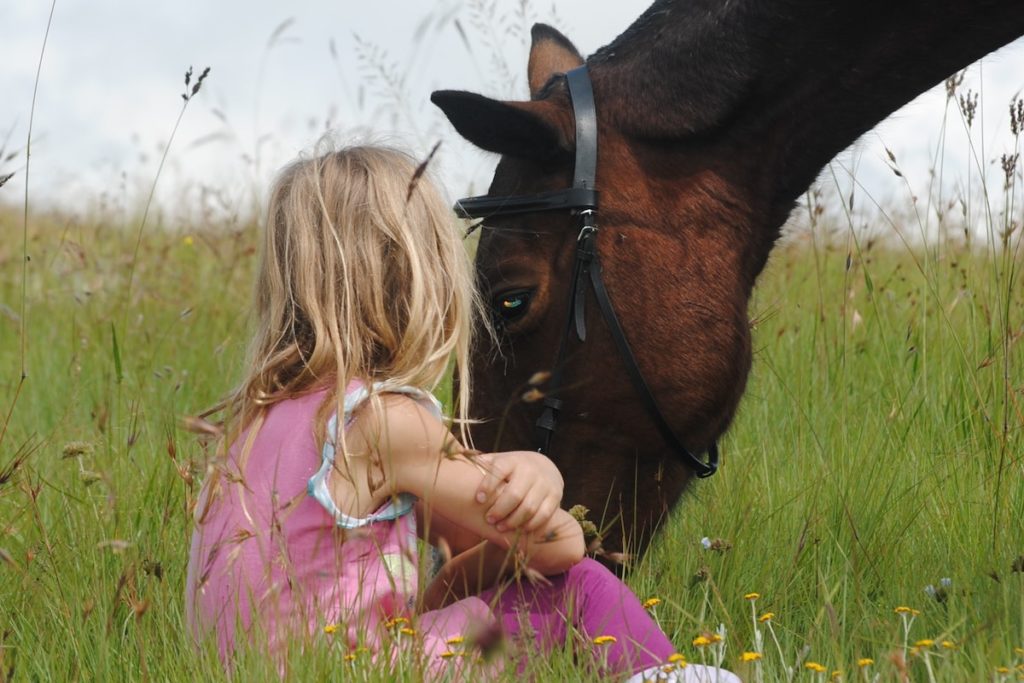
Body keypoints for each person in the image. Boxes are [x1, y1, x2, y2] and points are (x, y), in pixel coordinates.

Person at [185, 144, 739, 682]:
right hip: (355, 671)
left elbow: (469, 548)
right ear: (420, 280)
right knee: (581, 588)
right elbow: (559, 547)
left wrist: (517, 493)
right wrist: (541, 475)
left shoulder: (255, 429)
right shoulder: (380, 421)